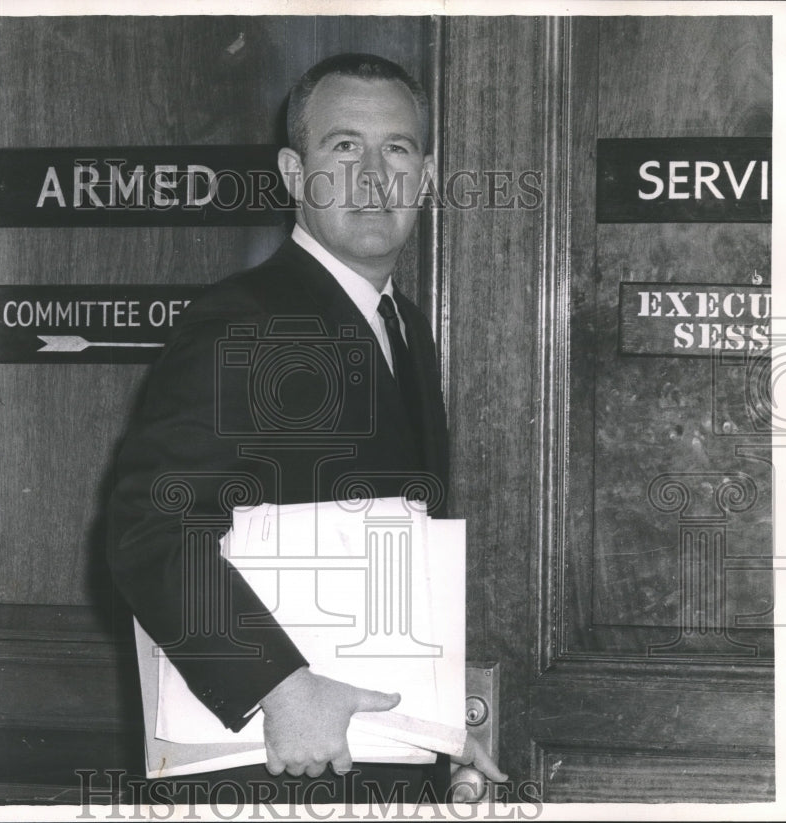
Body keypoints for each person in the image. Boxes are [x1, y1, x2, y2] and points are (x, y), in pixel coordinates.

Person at [107, 52, 505, 803]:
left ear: (424, 177)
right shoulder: (243, 319)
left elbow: (401, 551)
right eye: (344, 146)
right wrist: (279, 685)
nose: (374, 176)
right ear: (294, 173)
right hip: (266, 766)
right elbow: (146, 531)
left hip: (374, 755)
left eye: (398, 149)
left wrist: (435, 726)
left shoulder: (404, 327)